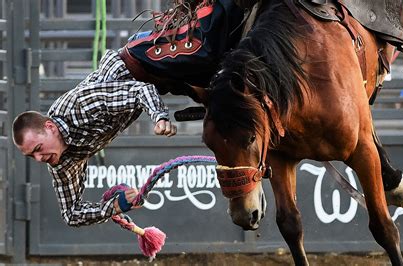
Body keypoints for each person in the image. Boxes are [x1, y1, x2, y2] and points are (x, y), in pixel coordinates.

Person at [12, 0, 245, 227]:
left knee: (205, 51)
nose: (40, 159)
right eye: (32, 157)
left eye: (38, 149)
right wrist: (114, 206)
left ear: (50, 127)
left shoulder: (77, 107)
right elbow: (71, 214)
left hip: (140, 63)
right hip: (158, 83)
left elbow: (139, 90)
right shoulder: (61, 163)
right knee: (221, 96)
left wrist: (160, 116)